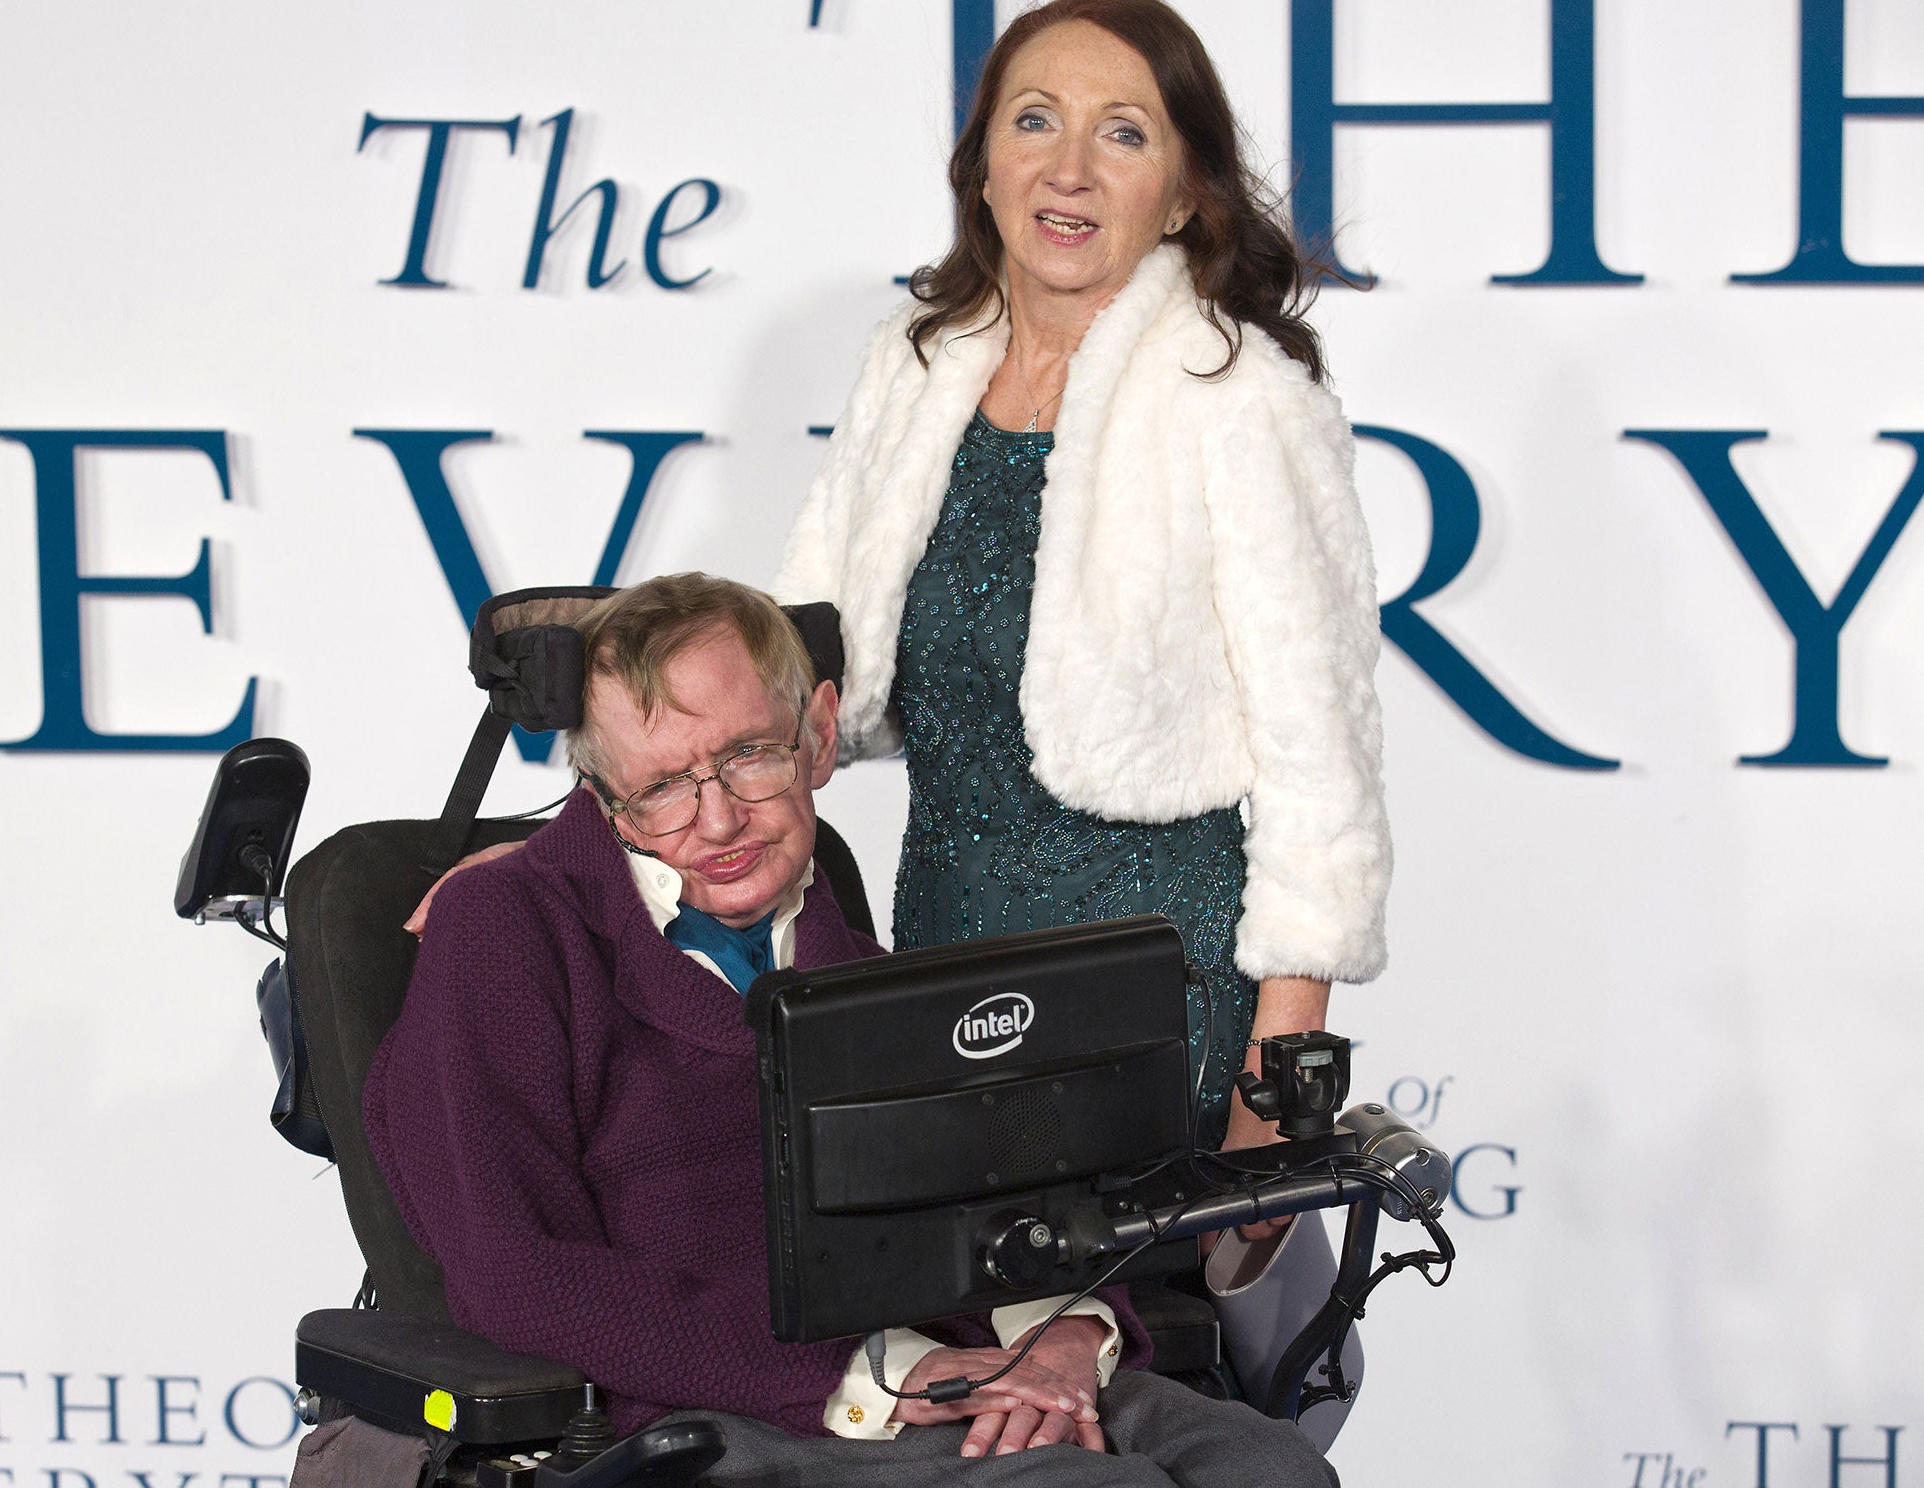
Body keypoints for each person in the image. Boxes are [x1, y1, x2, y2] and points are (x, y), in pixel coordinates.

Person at [366, 572, 1337, 1486]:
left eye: (748, 754)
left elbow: (1020, 1201)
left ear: (818, 735)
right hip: (728, 1400)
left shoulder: (868, 974)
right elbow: (514, 1270)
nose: (715, 820)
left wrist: (1071, 1333)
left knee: (1274, 1467)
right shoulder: (503, 929)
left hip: (970, 1363)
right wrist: (880, 1372)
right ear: (602, 800)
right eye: (661, 786)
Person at [772, 0, 1389, 1171]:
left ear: (1183, 194)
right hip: (941, 964)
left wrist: (1280, 1065)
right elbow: (789, 666)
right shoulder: (911, 363)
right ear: (983, 165)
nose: (1068, 169)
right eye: (1033, 120)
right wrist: (570, 863)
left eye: (1122, 133)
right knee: (961, 1344)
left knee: (1124, 1345)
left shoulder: (1241, 391)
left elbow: (1323, 755)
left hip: (1159, 993)